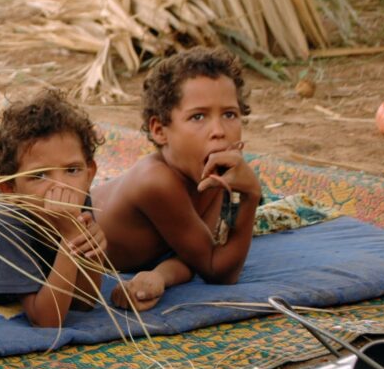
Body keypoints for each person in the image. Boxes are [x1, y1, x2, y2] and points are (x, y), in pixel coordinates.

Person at [91, 47, 260, 312]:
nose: (218, 131)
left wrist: (160, 276)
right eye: (198, 117)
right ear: (160, 131)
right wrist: (251, 196)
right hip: (53, 235)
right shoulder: (156, 182)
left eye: (229, 114)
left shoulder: (212, 170)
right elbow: (218, 270)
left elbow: (197, 255)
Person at [0, 90, 107, 328]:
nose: (61, 186)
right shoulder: (11, 226)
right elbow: (47, 320)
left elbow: (84, 302)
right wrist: (70, 243)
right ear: (9, 188)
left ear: (89, 173)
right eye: (39, 175)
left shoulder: (78, 200)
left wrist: (90, 251)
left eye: (72, 170)